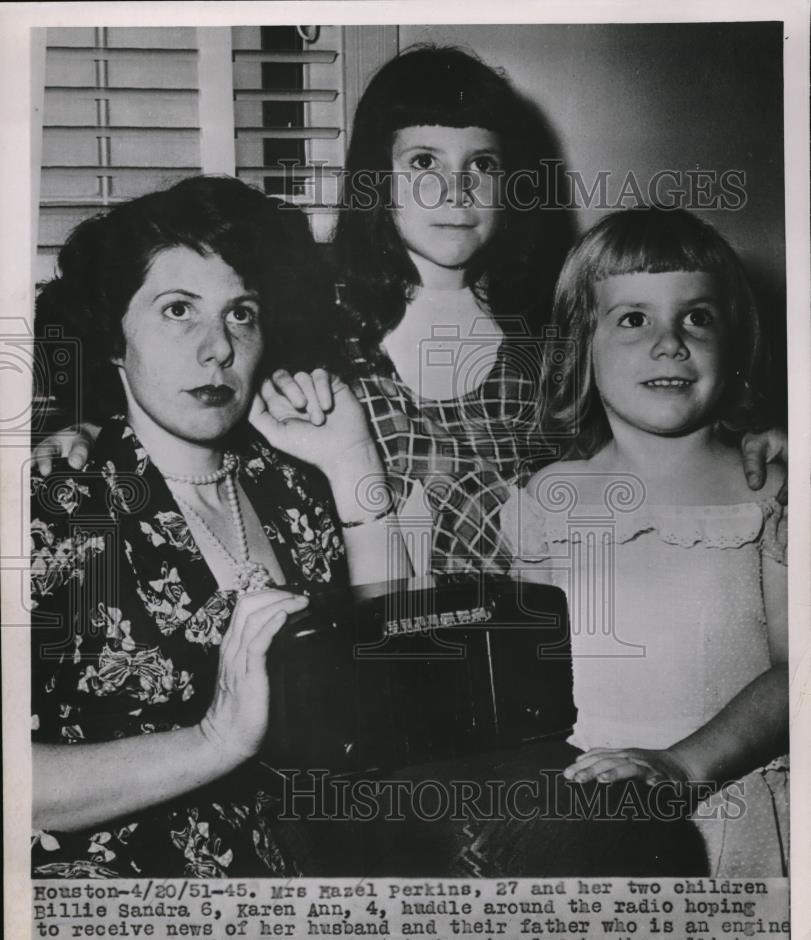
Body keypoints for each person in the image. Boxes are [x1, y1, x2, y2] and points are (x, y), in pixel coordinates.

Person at [35, 46, 787, 575]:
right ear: (374, 179)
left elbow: (663, 416)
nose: (454, 194)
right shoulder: (307, 317)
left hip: (549, 656)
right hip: (376, 656)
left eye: (481, 167)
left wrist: (753, 443)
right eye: (422, 163)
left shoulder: (556, 325)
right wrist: (89, 421)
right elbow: (196, 396)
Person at [30, 175, 410, 878]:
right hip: (116, 911)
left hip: (300, 883)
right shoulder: (52, 502)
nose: (218, 348)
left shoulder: (291, 486)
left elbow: (398, 681)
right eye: (178, 310)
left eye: (241, 314)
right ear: (112, 334)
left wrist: (356, 465)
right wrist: (214, 740)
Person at [501, 207, 788, 876]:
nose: (670, 343)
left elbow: (797, 671)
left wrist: (681, 766)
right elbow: (524, 689)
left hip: (737, 809)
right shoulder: (546, 498)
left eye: (697, 316)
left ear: (736, 341)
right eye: (633, 318)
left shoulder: (771, 493)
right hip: (590, 821)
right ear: (579, 343)